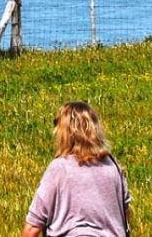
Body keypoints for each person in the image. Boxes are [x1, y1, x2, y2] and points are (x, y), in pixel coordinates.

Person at [22, 101, 131, 237]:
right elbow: (125, 217)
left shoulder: (59, 168)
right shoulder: (112, 166)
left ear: (64, 133)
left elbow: (32, 227)